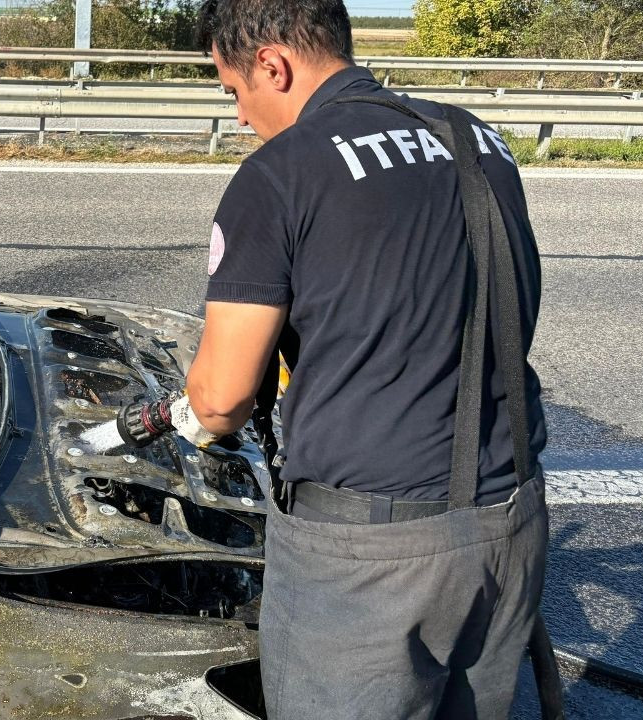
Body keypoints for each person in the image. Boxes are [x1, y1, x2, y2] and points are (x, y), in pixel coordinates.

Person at [177, 0, 551, 717]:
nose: (242, 118)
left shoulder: (280, 173)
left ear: (272, 65)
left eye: (233, 93)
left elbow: (220, 399)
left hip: (369, 560)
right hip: (510, 523)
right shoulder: (480, 139)